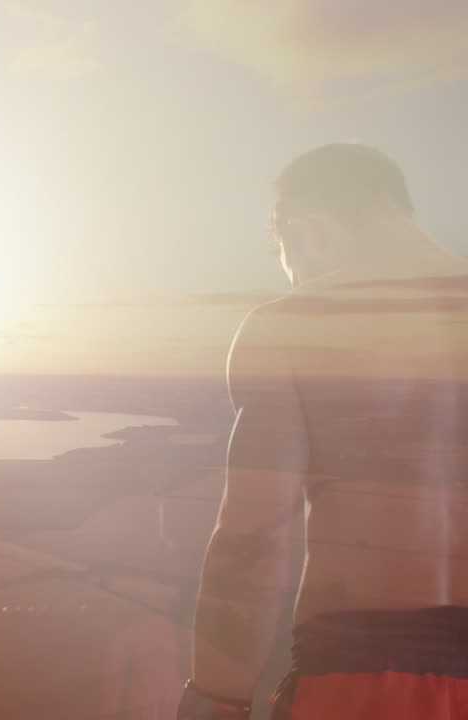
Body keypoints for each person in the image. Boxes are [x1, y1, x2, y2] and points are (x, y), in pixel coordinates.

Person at [178, 142, 468, 720]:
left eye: (287, 259)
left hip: (364, 681)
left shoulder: (294, 326)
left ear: (307, 230)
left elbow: (253, 540)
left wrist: (216, 696)